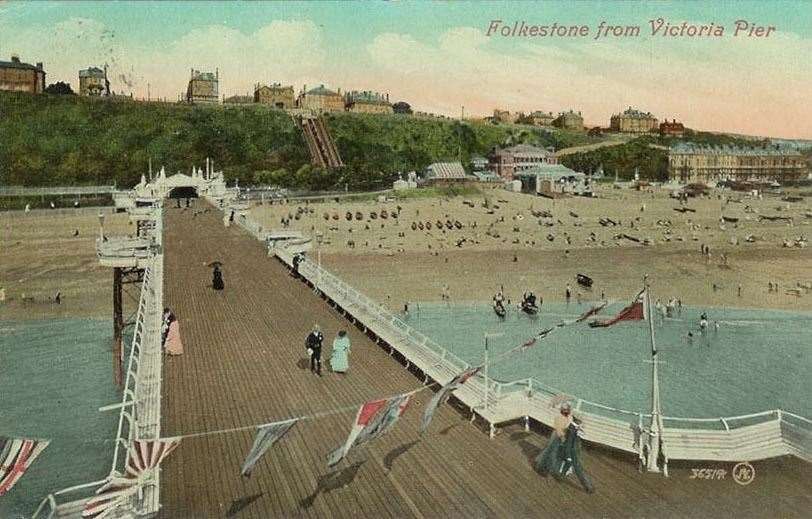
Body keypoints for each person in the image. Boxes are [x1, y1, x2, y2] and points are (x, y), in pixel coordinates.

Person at [554, 418, 595, 494]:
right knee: (578, 469)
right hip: (572, 453)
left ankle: (560, 477)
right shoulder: (572, 429)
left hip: (572, 452)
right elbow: (569, 443)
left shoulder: (573, 428)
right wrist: (568, 455)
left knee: (567, 464)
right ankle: (587, 486)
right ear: (577, 421)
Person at [535, 402, 572, 475]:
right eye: (565, 410)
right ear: (562, 411)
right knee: (551, 450)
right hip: (557, 435)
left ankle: (545, 466)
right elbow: (558, 429)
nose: (566, 411)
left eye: (567, 410)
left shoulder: (568, 418)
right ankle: (543, 467)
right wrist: (562, 437)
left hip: (561, 435)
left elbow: (567, 423)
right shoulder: (559, 418)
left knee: (553, 451)